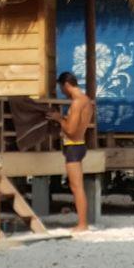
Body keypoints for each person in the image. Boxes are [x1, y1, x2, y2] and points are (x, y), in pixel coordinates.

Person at [47, 72, 94, 232]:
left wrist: (59, 119)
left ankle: (82, 224)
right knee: (77, 186)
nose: (62, 91)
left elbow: (72, 131)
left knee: (76, 187)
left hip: (74, 145)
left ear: (66, 85)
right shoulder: (86, 100)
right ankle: (82, 223)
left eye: (61, 87)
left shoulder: (77, 103)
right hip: (79, 144)